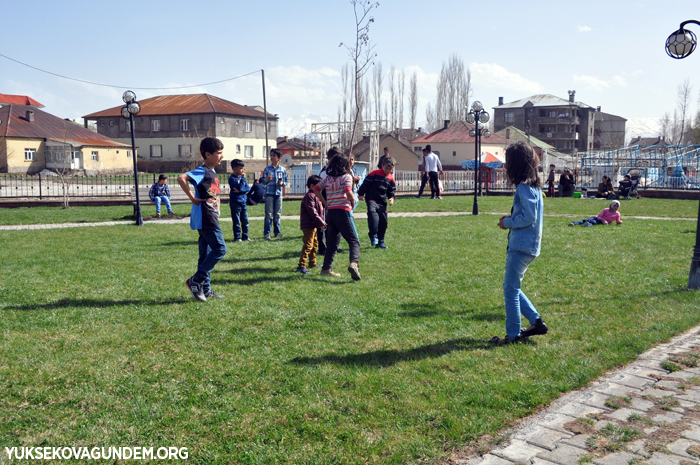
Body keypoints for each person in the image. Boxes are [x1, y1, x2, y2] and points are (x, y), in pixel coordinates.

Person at [491, 141, 548, 346]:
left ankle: (513, 335)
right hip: (528, 246)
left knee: (510, 290)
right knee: (512, 287)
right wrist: (513, 216)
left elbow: (528, 218)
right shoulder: (533, 187)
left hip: (522, 246)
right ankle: (536, 322)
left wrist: (507, 222)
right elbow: (526, 214)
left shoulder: (524, 188)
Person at [177, 137, 227, 302]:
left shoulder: (212, 172)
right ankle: (196, 280)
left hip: (211, 216)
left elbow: (214, 195)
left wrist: (218, 210)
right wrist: (192, 198)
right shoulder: (203, 170)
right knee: (220, 249)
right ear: (208, 154)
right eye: (218, 153)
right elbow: (181, 178)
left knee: (205, 254)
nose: (221, 156)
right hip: (206, 218)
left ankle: (205, 290)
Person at [313, 154, 361, 280]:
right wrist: (351, 201)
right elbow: (348, 191)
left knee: (332, 243)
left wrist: (324, 202)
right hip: (343, 212)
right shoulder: (347, 177)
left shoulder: (328, 178)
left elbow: (316, 189)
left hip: (331, 213)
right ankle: (354, 263)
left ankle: (326, 268)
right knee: (354, 240)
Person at [358, 155, 396, 248]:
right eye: (386, 168)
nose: (387, 170)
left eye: (390, 169)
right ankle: (373, 236)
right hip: (372, 198)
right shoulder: (374, 173)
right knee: (372, 213)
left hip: (382, 201)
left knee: (383, 222)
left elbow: (392, 190)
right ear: (382, 165)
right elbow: (365, 183)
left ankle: (380, 242)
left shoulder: (391, 178)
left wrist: (391, 198)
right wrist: (361, 194)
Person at [297, 175, 326, 274]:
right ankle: (301, 265)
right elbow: (312, 211)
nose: (321, 189)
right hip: (308, 225)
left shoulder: (316, 196)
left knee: (315, 245)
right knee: (308, 245)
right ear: (313, 186)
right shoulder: (309, 196)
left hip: (314, 225)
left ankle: (313, 262)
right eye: (320, 187)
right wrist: (321, 222)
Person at [262, 148, 288, 240]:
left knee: (277, 214)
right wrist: (267, 180)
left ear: (279, 158)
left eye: (274, 155)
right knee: (269, 215)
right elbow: (263, 182)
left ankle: (277, 232)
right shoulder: (267, 169)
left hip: (278, 194)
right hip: (269, 193)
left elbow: (285, 181)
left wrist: (282, 184)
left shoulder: (283, 169)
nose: (272, 157)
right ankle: (267, 233)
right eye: (271, 155)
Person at [228, 159, 251, 242]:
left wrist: (241, 190)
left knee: (245, 220)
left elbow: (247, 188)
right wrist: (243, 181)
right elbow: (240, 187)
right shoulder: (232, 179)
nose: (243, 170)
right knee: (236, 221)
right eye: (241, 168)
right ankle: (237, 237)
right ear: (235, 169)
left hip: (243, 201)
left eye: (243, 168)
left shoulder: (241, 178)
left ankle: (245, 236)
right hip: (235, 202)